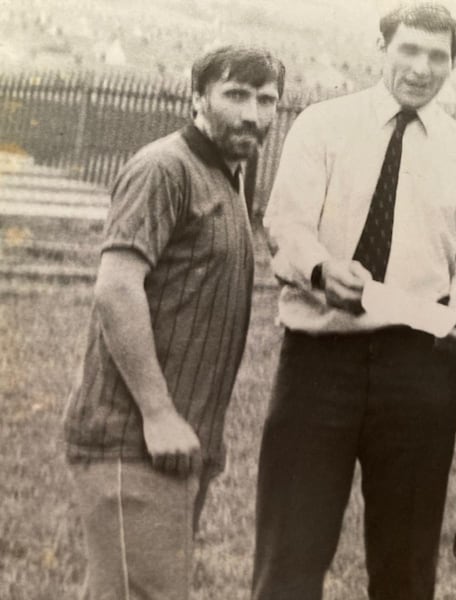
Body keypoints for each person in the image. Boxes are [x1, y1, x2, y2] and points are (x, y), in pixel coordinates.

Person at [252, 4, 456, 599]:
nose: (420, 67)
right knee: (290, 553)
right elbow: (286, 225)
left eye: (437, 56)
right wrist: (319, 269)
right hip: (319, 361)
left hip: (419, 369)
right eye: (408, 50)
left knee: (406, 565)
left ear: (454, 64)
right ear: (382, 49)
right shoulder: (322, 126)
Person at [63, 45, 285, 599]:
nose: (252, 115)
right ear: (197, 98)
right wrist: (159, 413)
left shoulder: (226, 179)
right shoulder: (165, 168)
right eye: (235, 95)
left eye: (266, 100)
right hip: (132, 437)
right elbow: (116, 289)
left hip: (178, 446)